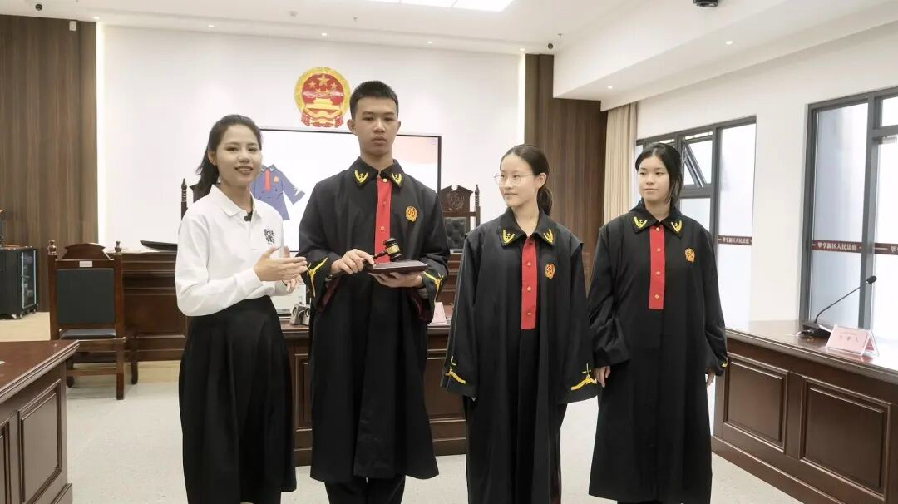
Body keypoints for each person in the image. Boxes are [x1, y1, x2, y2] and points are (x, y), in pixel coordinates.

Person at [297, 81, 450, 504]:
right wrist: (335, 263)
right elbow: (309, 251)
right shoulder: (327, 192)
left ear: (399, 125)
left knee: (394, 426)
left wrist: (417, 279)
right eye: (368, 118)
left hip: (398, 329)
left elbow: (439, 258)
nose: (378, 126)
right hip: (341, 328)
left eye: (387, 118)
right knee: (339, 423)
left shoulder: (423, 197)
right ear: (352, 125)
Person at [442, 144, 598, 504]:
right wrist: (466, 373)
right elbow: (464, 310)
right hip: (493, 365)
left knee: (540, 453)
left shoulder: (565, 244)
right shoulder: (480, 241)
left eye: (516, 176)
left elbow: (576, 316)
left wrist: (572, 374)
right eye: (502, 176)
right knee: (492, 452)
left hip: (544, 367)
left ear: (540, 180)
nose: (506, 184)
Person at [175, 114, 307, 504]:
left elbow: (269, 283)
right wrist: (256, 276)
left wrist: (285, 281)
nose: (244, 157)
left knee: (263, 439)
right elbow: (189, 298)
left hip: (264, 336)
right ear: (213, 156)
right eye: (232, 148)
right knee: (216, 448)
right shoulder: (199, 216)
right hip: (215, 343)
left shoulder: (271, 215)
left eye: (252, 148)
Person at [588, 142, 729, 504]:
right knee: (629, 443)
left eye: (658, 173)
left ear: (674, 180)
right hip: (628, 357)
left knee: (676, 439)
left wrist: (713, 352)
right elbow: (600, 300)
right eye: (643, 173)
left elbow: (709, 298)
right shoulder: (615, 233)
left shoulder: (695, 235)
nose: (648, 180)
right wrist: (602, 352)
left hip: (681, 355)